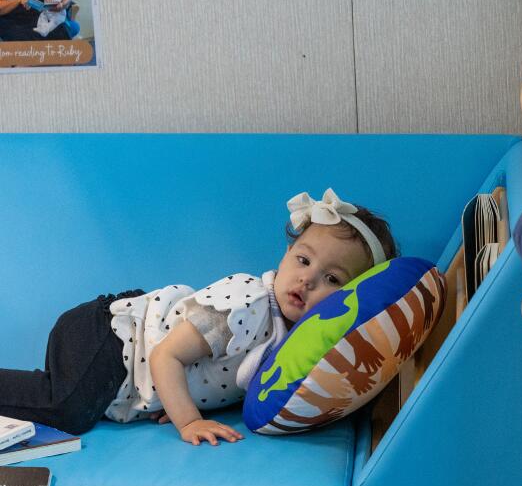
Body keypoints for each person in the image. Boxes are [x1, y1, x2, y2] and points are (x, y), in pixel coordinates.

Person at [0, 189, 396, 447]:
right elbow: (165, 357)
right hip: (111, 335)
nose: (307, 279)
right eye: (303, 259)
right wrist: (188, 422)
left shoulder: (299, 338)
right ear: (287, 254)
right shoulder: (250, 306)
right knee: (68, 408)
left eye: (331, 279)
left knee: (86, 405)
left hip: (123, 367)